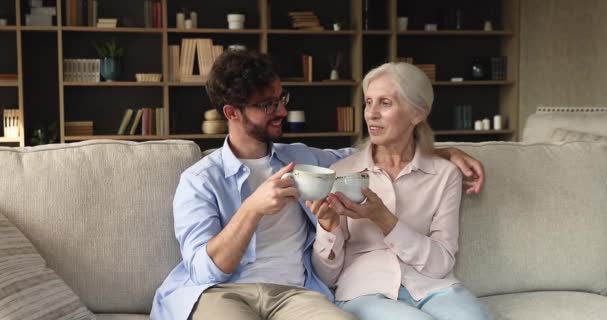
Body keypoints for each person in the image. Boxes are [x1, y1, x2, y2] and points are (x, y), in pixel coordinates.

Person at [150, 50, 485, 320]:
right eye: (268, 105)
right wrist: (251, 209)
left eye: (282, 98)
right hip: (223, 293)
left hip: (296, 293)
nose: (281, 110)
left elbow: (377, 154)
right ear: (232, 113)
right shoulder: (199, 180)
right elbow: (205, 270)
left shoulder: (304, 159)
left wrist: (442, 152)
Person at [309, 62, 491, 320]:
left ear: (418, 113)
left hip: (434, 288)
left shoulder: (444, 174)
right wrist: (328, 226)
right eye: (368, 102)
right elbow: (326, 276)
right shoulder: (341, 172)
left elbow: (441, 263)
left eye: (385, 103)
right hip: (365, 290)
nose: (371, 114)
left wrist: (384, 219)